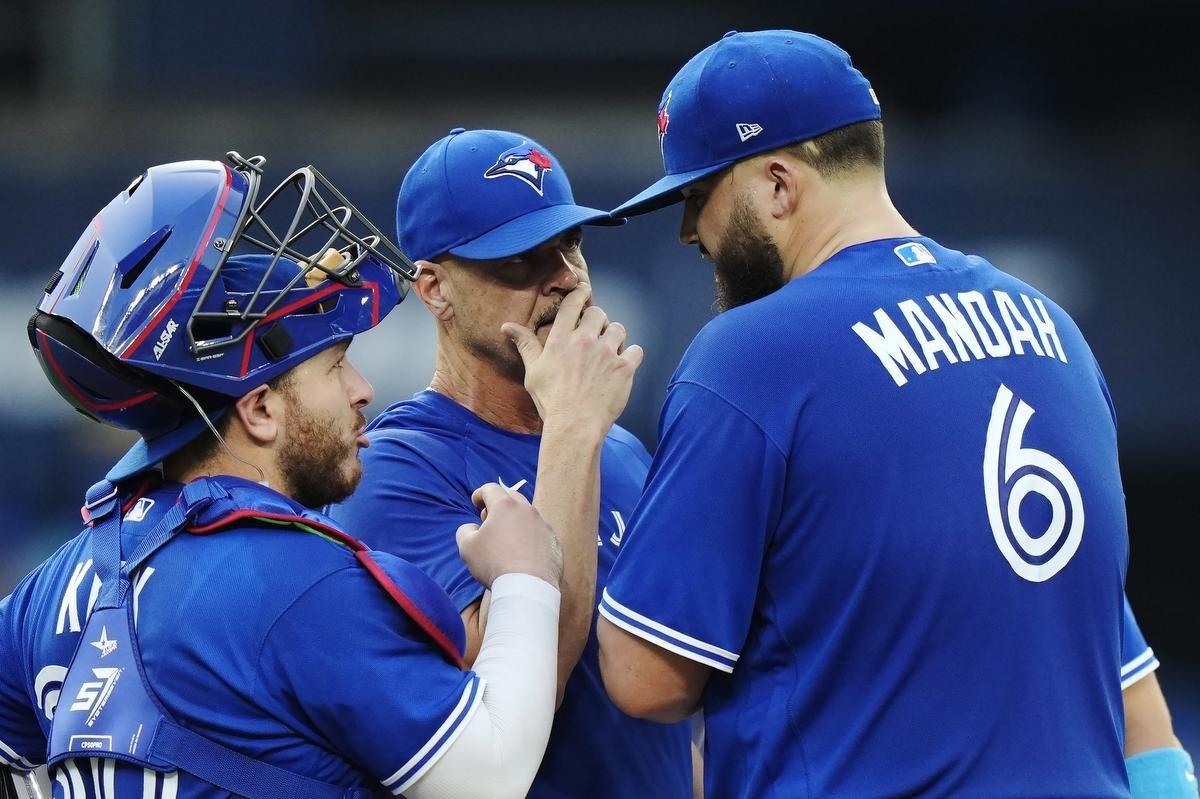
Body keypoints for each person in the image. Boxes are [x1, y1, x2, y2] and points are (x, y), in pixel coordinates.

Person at [594, 29, 1196, 798]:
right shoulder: (1055, 333)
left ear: (779, 184)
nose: (689, 233)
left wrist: (572, 464)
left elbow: (646, 680)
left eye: (698, 196)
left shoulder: (751, 353)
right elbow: (1135, 700)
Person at [0, 152, 567, 799]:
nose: (362, 388)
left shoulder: (58, 580)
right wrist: (525, 575)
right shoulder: (298, 581)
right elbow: (490, 775)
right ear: (260, 408)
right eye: (333, 364)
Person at [330, 128, 693, 798]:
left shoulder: (623, 450)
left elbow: (653, 719)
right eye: (521, 259)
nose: (563, 276)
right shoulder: (395, 470)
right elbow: (530, 687)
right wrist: (574, 429)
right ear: (435, 288)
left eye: (571, 242)